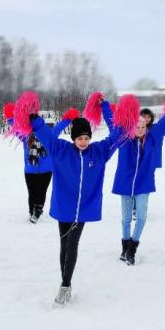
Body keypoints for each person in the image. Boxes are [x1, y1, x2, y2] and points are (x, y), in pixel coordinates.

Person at [29, 98, 123, 306]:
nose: (83, 142)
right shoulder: (61, 150)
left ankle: (65, 285)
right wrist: (33, 118)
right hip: (64, 207)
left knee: (72, 245)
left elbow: (116, 134)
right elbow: (45, 134)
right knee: (64, 246)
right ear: (73, 138)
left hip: (83, 209)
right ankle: (66, 283)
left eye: (86, 138)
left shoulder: (98, 152)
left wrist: (106, 108)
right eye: (80, 138)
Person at [108, 108, 165, 265]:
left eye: (142, 127)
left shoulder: (152, 139)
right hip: (125, 184)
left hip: (143, 185)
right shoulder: (124, 139)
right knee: (126, 218)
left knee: (141, 217)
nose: (139, 130)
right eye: (137, 127)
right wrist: (104, 105)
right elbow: (112, 121)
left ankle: (132, 247)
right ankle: (125, 246)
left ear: (146, 128)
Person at [8, 109, 74, 224]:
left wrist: (69, 118)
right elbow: (16, 128)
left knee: (41, 191)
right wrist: (10, 117)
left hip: (46, 170)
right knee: (32, 192)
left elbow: (60, 126)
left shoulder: (51, 136)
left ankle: (38, 211)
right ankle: (31, 211)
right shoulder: (26, 137)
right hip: (30, 170)